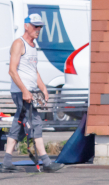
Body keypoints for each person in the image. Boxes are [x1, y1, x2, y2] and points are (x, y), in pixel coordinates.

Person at [1, 13, 64, 173]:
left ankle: (7, 161)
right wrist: (24, 91)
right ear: (26, 26)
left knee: (18, 123)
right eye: (35, 26)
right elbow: (12, 71)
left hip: (29, 92)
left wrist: (43, 88)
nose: (38, 30)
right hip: (21, 92)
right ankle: (46, 162)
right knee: (36, 122)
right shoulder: (19, 43)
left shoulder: (33, 46)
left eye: (40, 27)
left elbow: (33, 71)